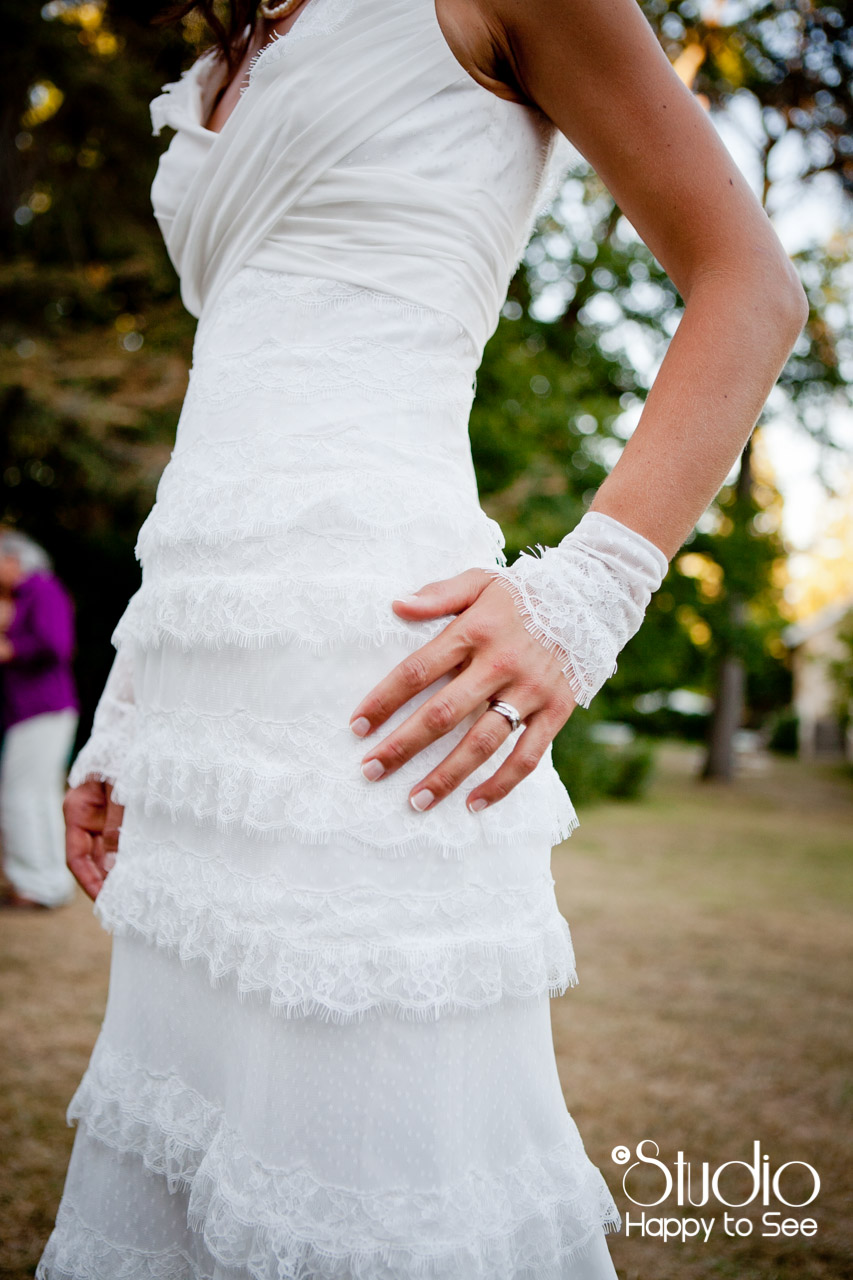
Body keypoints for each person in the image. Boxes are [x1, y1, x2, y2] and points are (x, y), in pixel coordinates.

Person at [38, 0, 808, 1275]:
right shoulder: (226, 49)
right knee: (192, 1146)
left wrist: (588, 592)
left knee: (370, 1179)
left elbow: (752, 285)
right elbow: (236, 394)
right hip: (203, 675)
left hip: (385, 651)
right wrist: (136, 700)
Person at [0, 529, 79, 910]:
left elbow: (56, 644)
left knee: (19, 794)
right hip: (41, 710)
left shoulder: (40, 589)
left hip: (39, 709)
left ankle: (32, 882)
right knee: (41, 795)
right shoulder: (29, 594)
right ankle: (50, 880)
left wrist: (10, 648)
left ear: (14, 559)